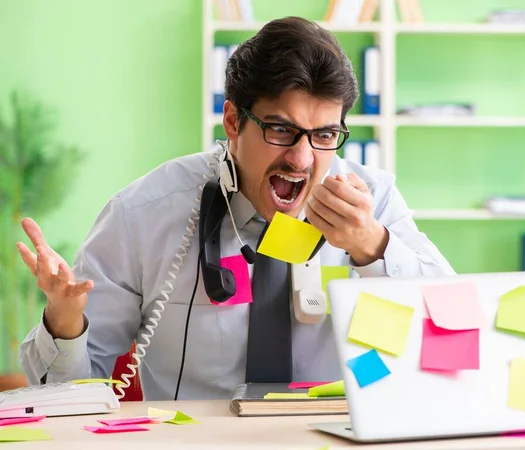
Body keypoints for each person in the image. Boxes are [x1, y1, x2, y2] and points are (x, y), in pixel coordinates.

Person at [18, 16, 454, 401]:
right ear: (232, 120)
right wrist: (64, 321)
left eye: (324, 134)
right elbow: (62, 393)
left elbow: (451, 335)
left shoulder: (371, 200)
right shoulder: (145, 214)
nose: (302, 159)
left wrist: (373, 246)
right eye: (282, 129)